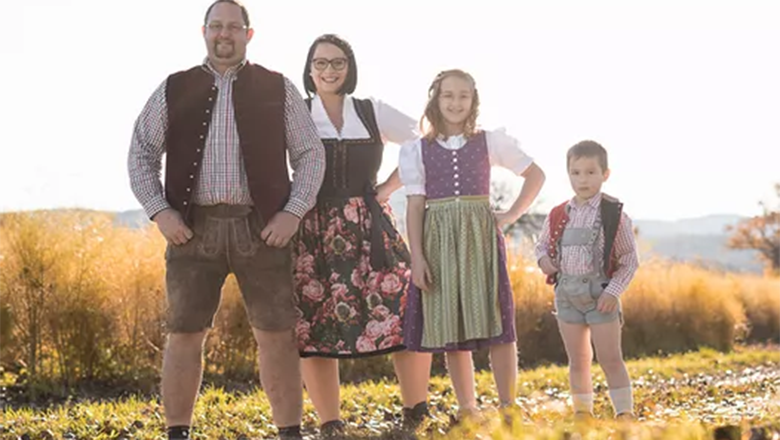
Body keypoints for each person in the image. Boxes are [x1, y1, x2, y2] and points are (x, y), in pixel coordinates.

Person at [127, 1, 325, 439]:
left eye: (234, 27)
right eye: (216, 26)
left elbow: (311, 153)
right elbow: (141, 153)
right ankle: (178, 432)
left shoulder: (278, 87)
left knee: (277, 334)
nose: (224, 34)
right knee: (183, 332)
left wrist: (293, 213)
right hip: (192, 231)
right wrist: (161, 212)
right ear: (203, 31)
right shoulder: (173, 88)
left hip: (264, 231)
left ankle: (289, 432)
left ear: (248, 35)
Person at [293, 33, 432, 436]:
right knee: (314, 323)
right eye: (320, 63)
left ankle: (416, 409)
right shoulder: (297, 113)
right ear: (309, 69)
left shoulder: (372, 111)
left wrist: (389, 187)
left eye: (337, 63)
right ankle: (329, 422)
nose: (329, 70)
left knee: (406, 310)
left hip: (371, 225)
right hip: (313, 228)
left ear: (349, 68)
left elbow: (424, 142)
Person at [398, 69, 546, 420]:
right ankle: (468, 408)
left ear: (473, 100)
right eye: (448, 95)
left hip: (480, 237)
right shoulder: (417, 150)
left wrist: (509, 214)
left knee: (498, 321)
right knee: (451, 323)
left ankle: (508, 405)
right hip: (438, 238)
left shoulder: (489, 141)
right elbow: (416, 206)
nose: (455, 102)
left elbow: (536, 175)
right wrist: (416, 257)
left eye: (463, 95)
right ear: (436, 99)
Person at [534, 140, 639, 420]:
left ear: (605, 174)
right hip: (567, 295)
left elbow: (629, 260)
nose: (583, 179)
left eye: (591, 172)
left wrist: (613, 292)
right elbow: (541, 246)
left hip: (600, 296)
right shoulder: (558, 214)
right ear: (568, 174)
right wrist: (544, 261)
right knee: (578, 360)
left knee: (610, 358)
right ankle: (583, 414)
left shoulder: (613, 215)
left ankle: (624, 413)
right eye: (576, 172)